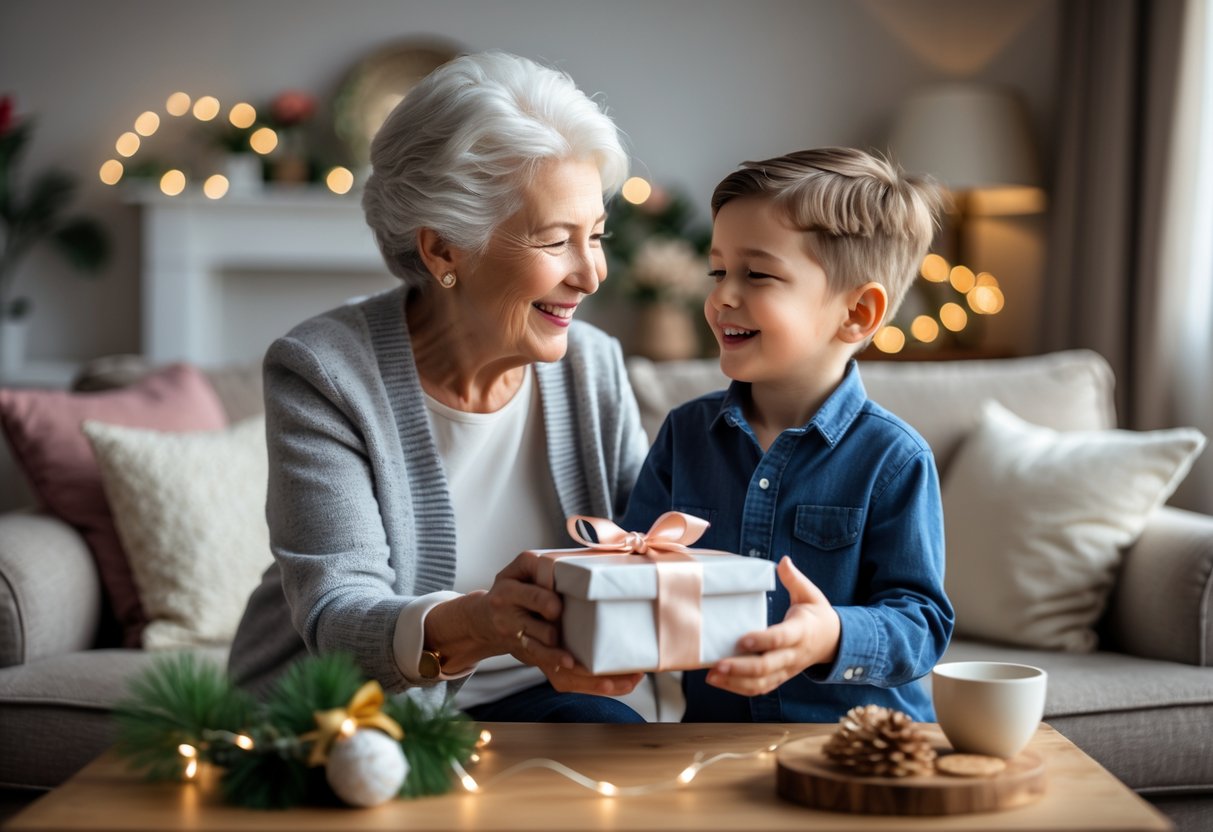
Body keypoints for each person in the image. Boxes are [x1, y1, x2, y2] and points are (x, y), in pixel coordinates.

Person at [228, 51, 654, 723]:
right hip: (353, 708)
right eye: (555, 242)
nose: (591, 275)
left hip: (541, 696)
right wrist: (483, 625)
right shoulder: (323, 371)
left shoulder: (591, 365)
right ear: (443, 249)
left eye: (595, 236)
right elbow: (338, 614)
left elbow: (648, 543)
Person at [620, 147, 954, 723]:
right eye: (718, 270)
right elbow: (631, 566)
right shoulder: (685, 434)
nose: (723, 295)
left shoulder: (894, 458)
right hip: (712, 741)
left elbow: (921, 622)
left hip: (855, 748)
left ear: (857, 313)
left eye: (757, 274)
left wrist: (831, 635)